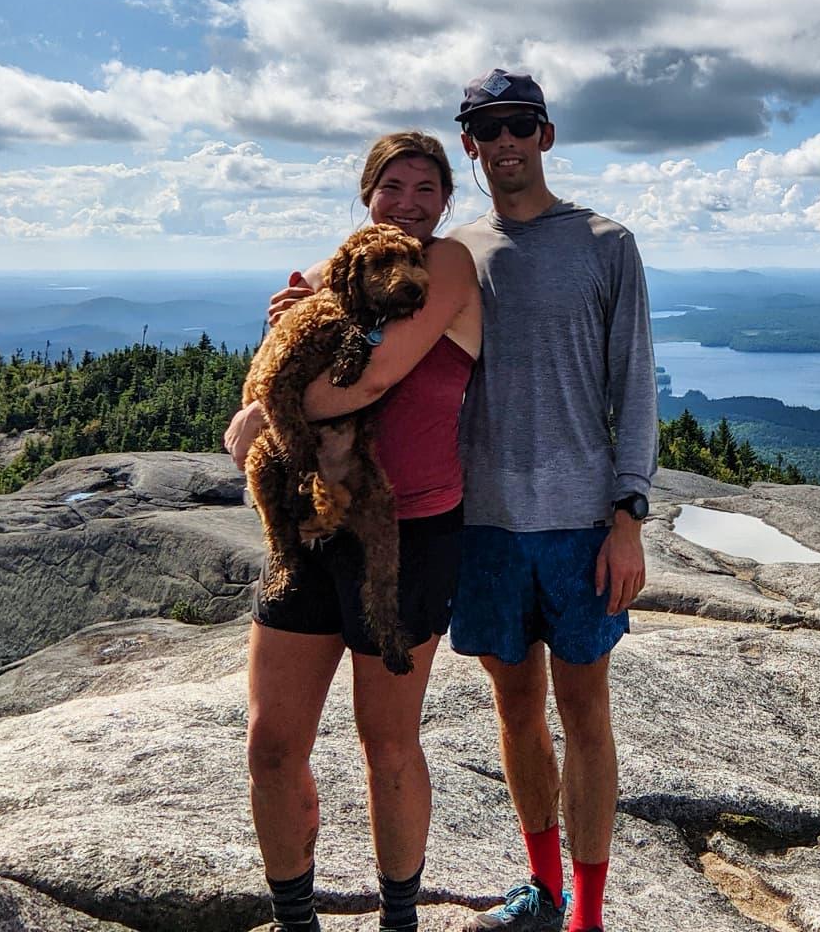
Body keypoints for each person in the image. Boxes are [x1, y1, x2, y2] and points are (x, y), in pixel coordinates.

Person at [224, 131, 482, 932]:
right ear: (368, 195)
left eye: (425, 189)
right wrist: (295, 322)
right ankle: (296, 919)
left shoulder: (447, 267)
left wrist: (263, 415)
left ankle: (398, 919)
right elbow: (296, 355)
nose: (408, 204)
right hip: (312, 524)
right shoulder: (341, 276)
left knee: (388, 742)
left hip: (412, 531)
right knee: (271, 743)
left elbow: (370, 374)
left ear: (447, 201)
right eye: (391, 188)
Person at [444, 70, 658, 932]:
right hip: (485, 521)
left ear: (546, 134)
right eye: (486, 128)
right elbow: (385, 328)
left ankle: (590, 914)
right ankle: (544, 889)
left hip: (578, 523)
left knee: (586, 714)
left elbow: (634, 384)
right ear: (469, 143)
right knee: (516, 712)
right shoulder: (456, 252)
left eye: (518, 125)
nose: (504, 142)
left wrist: (627, 518)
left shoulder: (607, 243)